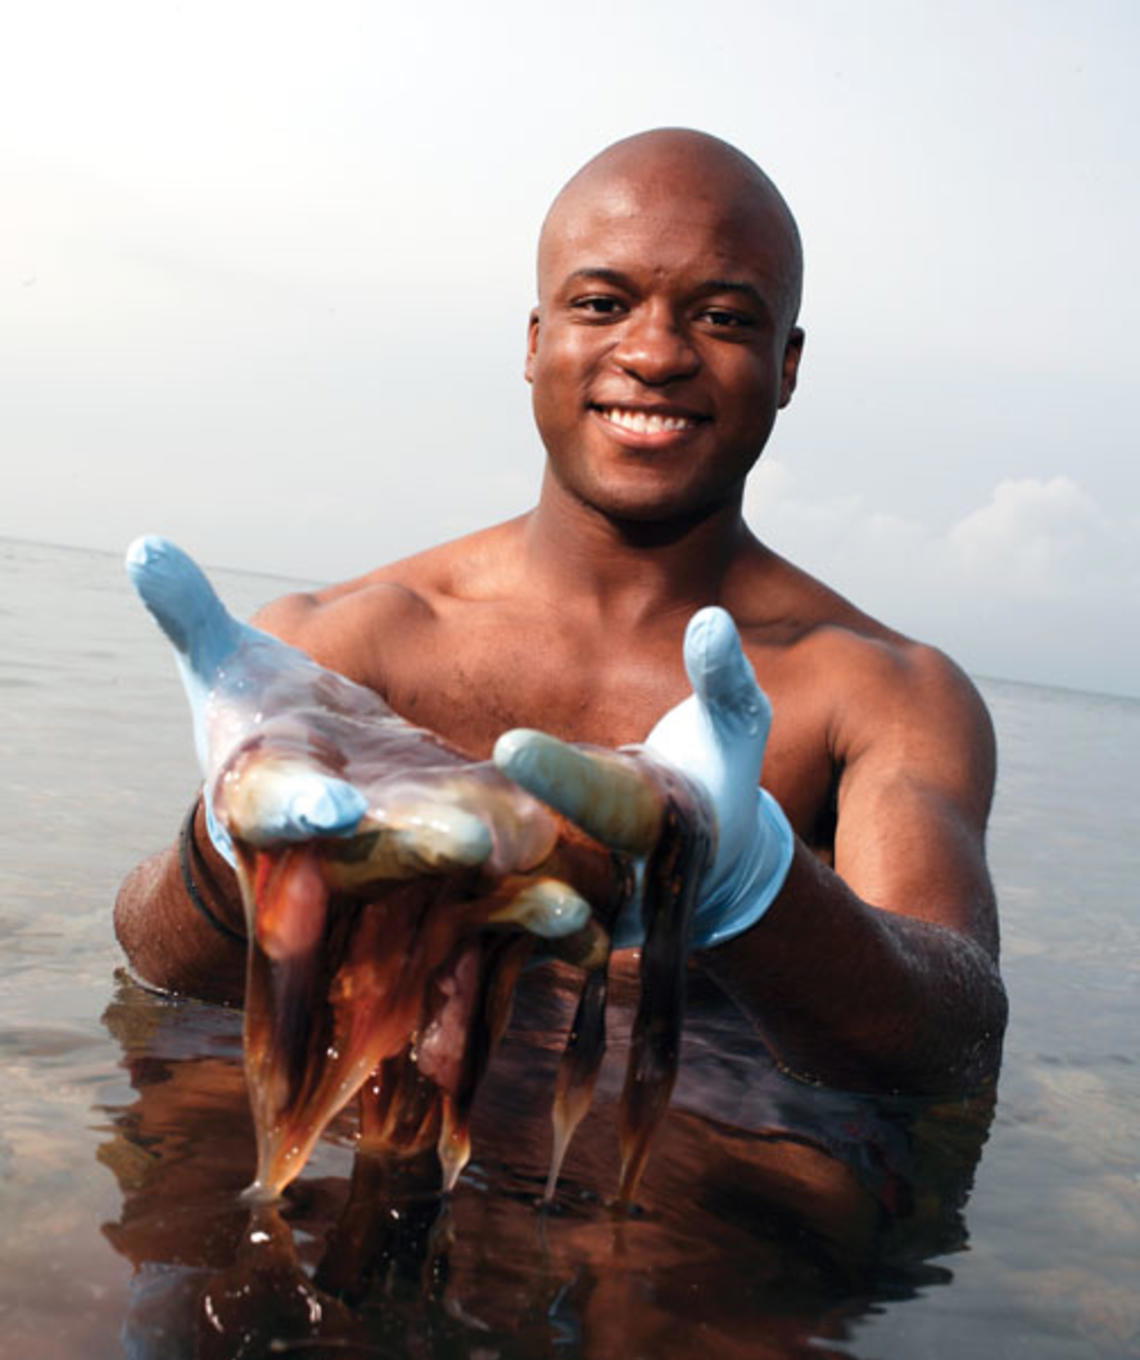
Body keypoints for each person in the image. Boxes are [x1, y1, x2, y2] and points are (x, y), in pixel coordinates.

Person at [115, 127, 1007, 1096]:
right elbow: (163, 977)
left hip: (694, 1194)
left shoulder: (879, 694)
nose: (656, 352)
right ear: (537, 343)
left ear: (786, 365)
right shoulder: (346, 646)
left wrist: (754, 882)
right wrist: (225, 846)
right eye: (602, 303)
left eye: (721, 316)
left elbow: (949, 1039)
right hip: (336, 1152)